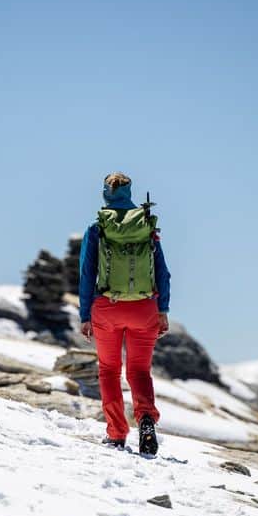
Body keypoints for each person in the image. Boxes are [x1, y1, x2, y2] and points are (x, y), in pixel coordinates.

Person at [78, 172, 171, 455]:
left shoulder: (97, 227)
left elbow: (87, 274)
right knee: (139, 371)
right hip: (144, 308)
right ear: (130, 192)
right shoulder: (145, 224)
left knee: (109, 370)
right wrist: (163, 309)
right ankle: (146, 418)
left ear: (105, 193)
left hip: (107, 308)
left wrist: (85, 315)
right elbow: (162, 272)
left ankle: (116, 433)